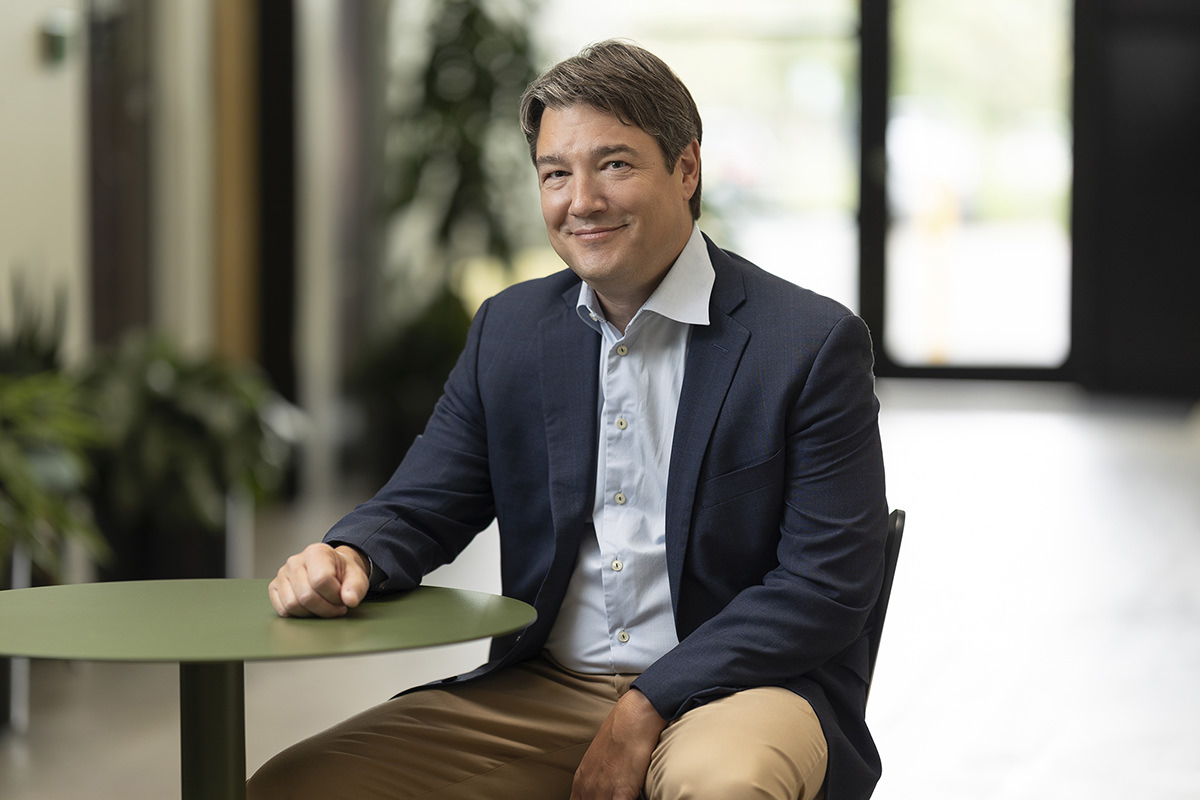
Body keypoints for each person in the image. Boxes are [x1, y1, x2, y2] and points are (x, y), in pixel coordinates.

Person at [249, 39, 888, 800]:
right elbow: (426, 501)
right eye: (556, 174)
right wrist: (349, 556)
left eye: (614, 164)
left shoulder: (807, 344)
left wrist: (647, 703)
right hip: (547, 683)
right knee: (297, 785)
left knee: (723, 789)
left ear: (686, 169)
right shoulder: (510, 330)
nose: (581, 200)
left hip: (740, 688)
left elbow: (825, 585)